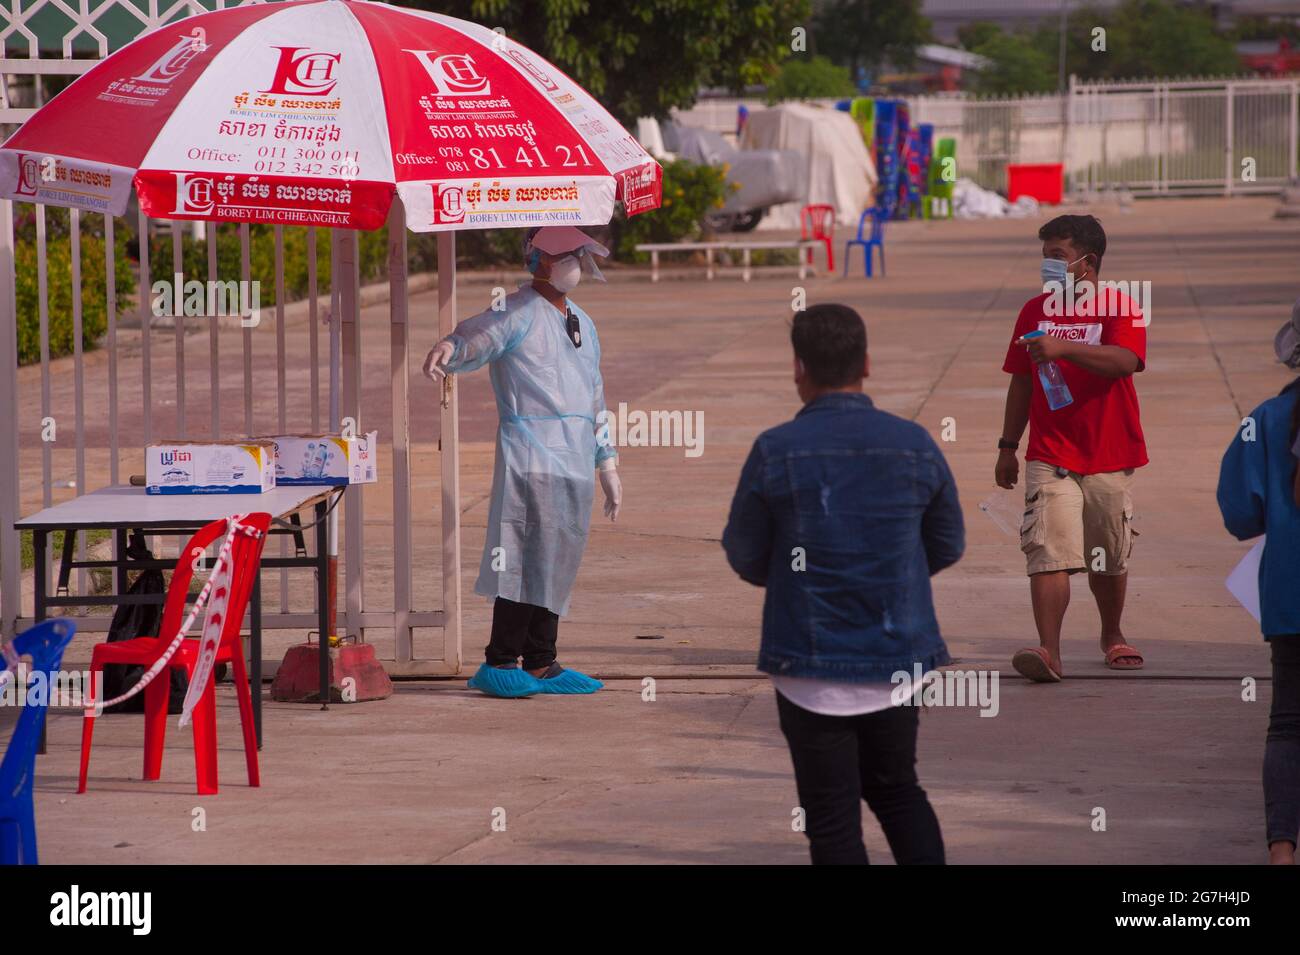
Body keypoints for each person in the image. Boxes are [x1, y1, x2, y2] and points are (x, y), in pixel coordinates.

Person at [722, 304, 964, 865]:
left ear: (798, 368)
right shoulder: (914, 443)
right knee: (899, 792)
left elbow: (745, 553)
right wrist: (893, 574)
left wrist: (791, 577)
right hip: (895, 662)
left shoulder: (775, 449)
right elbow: (948, 543)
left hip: (809, 670)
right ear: (867, 363)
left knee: (830, 821)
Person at [423, 226, 622, 698]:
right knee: (521, 555)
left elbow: (594, 393)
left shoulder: (582, 322)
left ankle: (541, 659)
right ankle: (499, 659)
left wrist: (607, 460)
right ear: (538, 261)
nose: (573, 262)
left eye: (577, 253)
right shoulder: (516, 311)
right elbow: (480, 335)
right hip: (531, 451)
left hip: (574, 459)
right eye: (564, 255)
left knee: (557, 560)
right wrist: (451, 347)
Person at [996, 214, 1148, 682]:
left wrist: (1063, 347)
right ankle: (1048, 650)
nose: (1048, 265)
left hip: (1110, 450)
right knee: (1048, 548)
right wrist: (1007, 446)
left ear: (1089, 261)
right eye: (1045, 257)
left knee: (1108, 552)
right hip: (1050, 452)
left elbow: (1127, 360)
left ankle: (1112, 634)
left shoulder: (1121, 307)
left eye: (1057, 256)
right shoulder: (1032, 312)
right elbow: (1021, 383)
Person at [1217, 298, 1300, 865]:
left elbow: (1240, 514)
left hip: (1289, 596)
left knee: (1288, 723)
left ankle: (1280, 851)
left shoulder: (1264, 420)